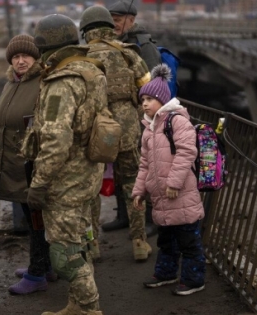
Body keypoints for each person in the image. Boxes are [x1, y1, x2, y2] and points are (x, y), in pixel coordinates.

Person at [23, 13, 108, 315]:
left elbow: (56, 139)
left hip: (65, 181)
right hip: (86, 175)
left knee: (65, 253)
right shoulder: (90, 71)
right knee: (81, 243)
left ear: (46, 46)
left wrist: (39, 182)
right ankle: (76, 307)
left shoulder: (62, 82)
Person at [79, 5, 152, 261]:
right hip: (127, 127)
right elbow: (148, 89)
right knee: (132, 182)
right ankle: (140, 242)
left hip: (95, 129)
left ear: (86, 30)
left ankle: (93, 245)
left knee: (93, 187)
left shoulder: (79, 57)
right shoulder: (129, 54)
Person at [0, 34, 57, 295]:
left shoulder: (42, 82)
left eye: (25, 56)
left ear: (35, 57)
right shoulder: (11, 83)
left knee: (37, 216)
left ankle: (37, 273)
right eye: (16, 57)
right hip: (13, 162)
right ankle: (46, 265)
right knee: (32, 218)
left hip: (32, 162)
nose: (20, 61)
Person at [132, 64, 206, 296]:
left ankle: (195, 280)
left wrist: (173, 183)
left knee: (188, 242)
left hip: (180, 194)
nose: (144, 103)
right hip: (161, 198)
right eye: (142, 99)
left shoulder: (177, 122)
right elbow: (145, 164)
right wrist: (139, 191)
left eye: (150, 99)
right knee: (166, 241)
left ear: (162, 100)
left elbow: (187, 153)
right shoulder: (149, 129)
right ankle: (166, 273)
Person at [104, 0, 161, 237]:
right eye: (112, 19)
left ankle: (150, 218)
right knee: (119, 167)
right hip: (118, 120)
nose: (115, 24)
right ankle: (124, 215)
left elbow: (154, 85)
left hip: (141, 117)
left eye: (119, 19)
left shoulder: (143, 46)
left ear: (131, 20)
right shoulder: (112, 44)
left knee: (143, 168)